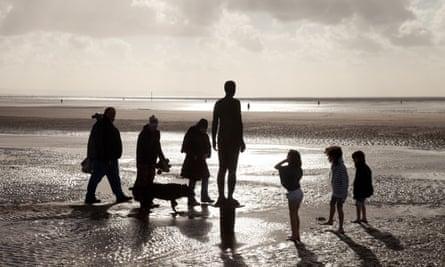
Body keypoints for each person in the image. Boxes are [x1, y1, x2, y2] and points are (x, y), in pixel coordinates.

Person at [85, 107, 132, 204]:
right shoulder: (102, 125)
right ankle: (90, 196)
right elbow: (99, 143)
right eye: (111, 113)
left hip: (110, 158)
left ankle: (119, 195)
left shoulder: (106, 124)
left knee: (114, 178)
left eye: (114, 113)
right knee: (96, 177)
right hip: (104, 158)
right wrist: (104, 157)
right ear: (106, 114)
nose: (113, 115)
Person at [212, 80, 246, 207]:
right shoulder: (235, 103)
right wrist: (241, 140)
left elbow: (215, 122)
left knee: (222, 169)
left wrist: (213, 139)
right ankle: (229, 197)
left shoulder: (219, 103)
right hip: (233, 140)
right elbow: (239, 122)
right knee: (231, 169)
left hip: (222, 139)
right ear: (233, 90)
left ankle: (222, 196)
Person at [132, 115, 166, 209]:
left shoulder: (157, 133)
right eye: (153, 124)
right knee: (142, 181)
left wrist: (162, 159)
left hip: (151, 161)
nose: (155, 126)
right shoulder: (143, 134)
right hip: (143, 162)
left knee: (150, 181)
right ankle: (141, 199)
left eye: (156, 124)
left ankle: (147, 200)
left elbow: (158, 147)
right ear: (150, 123)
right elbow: (142, 150)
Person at [181, 119, 213, 206]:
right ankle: (191, 199)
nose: (204, 130)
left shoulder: (204, 135)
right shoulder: (192, 132)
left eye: (205, 128)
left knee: (205, 176)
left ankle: (204, 196)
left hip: (201, 160)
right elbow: (186, 145)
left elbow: (208, 147)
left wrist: (207, 154)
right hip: (192, 160)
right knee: (193, 179)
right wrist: (193, 155)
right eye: (203, 128)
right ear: (200, 126)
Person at [274, 150, 304, 242]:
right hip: (299, 192)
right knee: (295, 214)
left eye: (288, 156)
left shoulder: (287, 168)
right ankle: (297, 234)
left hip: (293, 193)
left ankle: (294, 235)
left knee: (292, 215)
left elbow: (276, 166)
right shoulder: (298, 168)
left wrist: (285, 161)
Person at [321, 146, 349, 234]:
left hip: (341, 191)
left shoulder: (341, 166)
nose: (328, 157)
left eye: (330, 156)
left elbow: (345, 180)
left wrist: (344, 193)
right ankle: (330, 220)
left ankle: (341, 227)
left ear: (335, 156)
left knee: (339, 207)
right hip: (335, 190)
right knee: (332, 204)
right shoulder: (334, 164)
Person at [351, 151, 373, 223]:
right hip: (365, 189)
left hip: (361, 189)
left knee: (358, 203)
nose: (353, 160)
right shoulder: (364, 167)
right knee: (362, 203)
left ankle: (358, 218)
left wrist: (356, 188)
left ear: (359, 158)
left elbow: (359, 180)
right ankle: (364, 218)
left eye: (354, 158)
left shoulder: (361, 167)